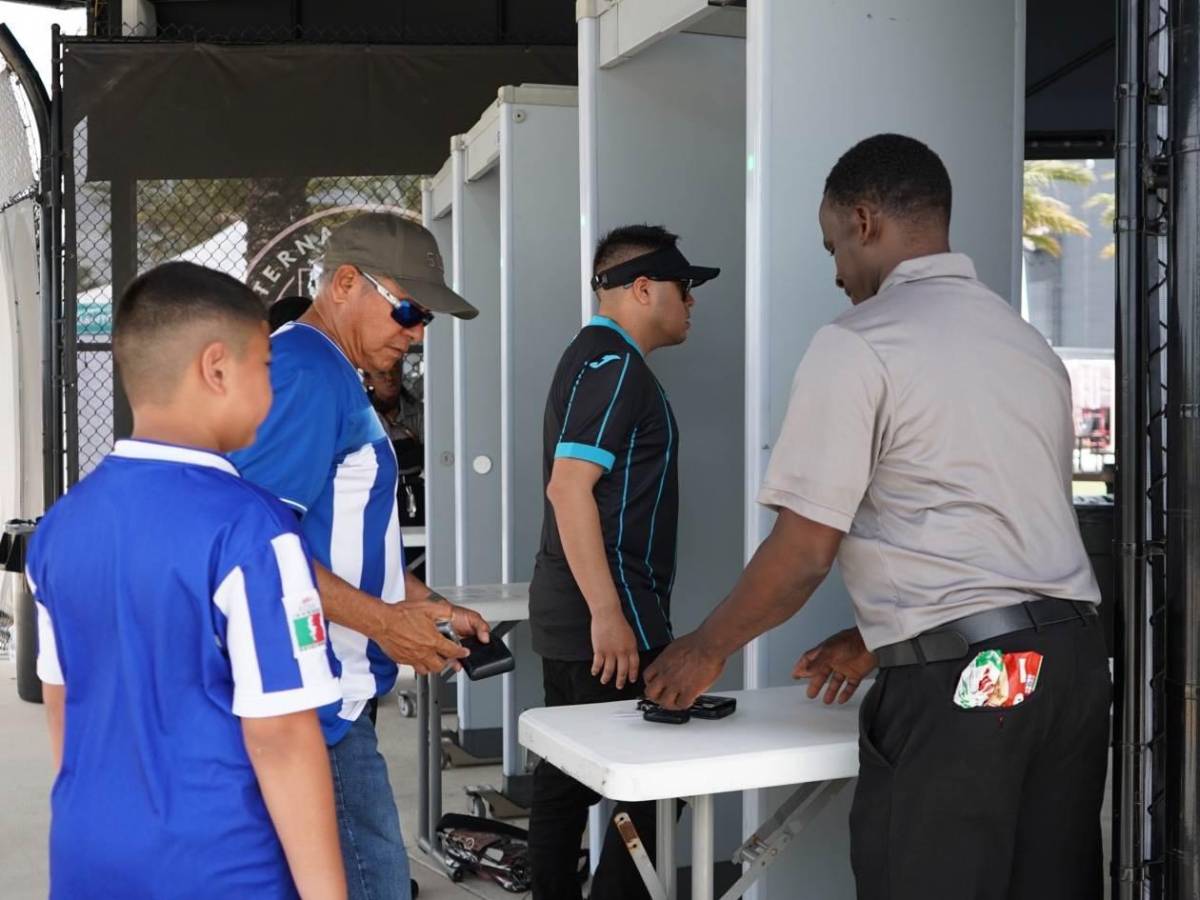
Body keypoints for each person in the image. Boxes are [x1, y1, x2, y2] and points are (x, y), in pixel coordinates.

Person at [643, 134, 1109, 900]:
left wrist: (704, 648)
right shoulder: (1028, 347)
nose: (835, 272)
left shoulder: (860, 343)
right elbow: (1000, 532)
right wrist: (880, 634)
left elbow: (803, 553)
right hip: (1068, 670)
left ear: (864, 221)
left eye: (833, 246)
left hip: (973, 683)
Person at [26, 262, 346, 899]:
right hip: (220, 868)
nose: (271, 390)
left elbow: (61, 702)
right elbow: (281, 735)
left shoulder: (59, 528)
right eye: (265, 368)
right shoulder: (255, 531)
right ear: (217, 368)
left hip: (86, 856)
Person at [230, 213, 490, 900]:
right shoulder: (309, 374)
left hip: (328, 700)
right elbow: (259, 545)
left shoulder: (324, 370)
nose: (416, 331)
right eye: (408, 309)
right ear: (345, 283)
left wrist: (416, 601)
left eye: (426, 316)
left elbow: (331, 535)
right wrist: (382, 621)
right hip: (317, 706)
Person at [527, 224, 719, 900]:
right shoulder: (614, 367)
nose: (692, 302)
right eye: (683, 288)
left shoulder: (598, 359)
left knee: (568, 778)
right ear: (642, 287)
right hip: (608, 618)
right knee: (663, 786)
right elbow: (568, 486)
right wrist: (609, 615)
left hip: (588, 609)